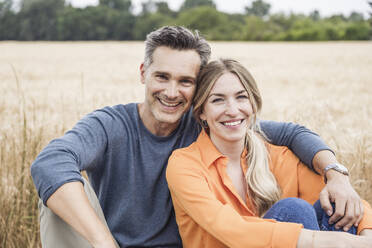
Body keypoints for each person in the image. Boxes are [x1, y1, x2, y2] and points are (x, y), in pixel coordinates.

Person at [31, 26, 362, 248]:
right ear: (144, 73)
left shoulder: (207, 123)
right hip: (112, 242)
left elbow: (291, 133)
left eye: (185, 81)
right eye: (162, 77)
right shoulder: (109, 125)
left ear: (198, 89)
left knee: (295, 210)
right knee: (57, 192)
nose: (172, 92)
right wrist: (104, 244)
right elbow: (50, 163)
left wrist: (336, 173)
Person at [166, 58, 372, 248]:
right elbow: (231, 230)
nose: (232, 109)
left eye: (241, 97)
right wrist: (330, 240)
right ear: (201, 111)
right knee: (294, 209)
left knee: (335, 204)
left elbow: (341, 197)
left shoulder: (276, 155)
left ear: (253, 104)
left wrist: (367, 232)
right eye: (218, 100)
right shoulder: (184, 164)